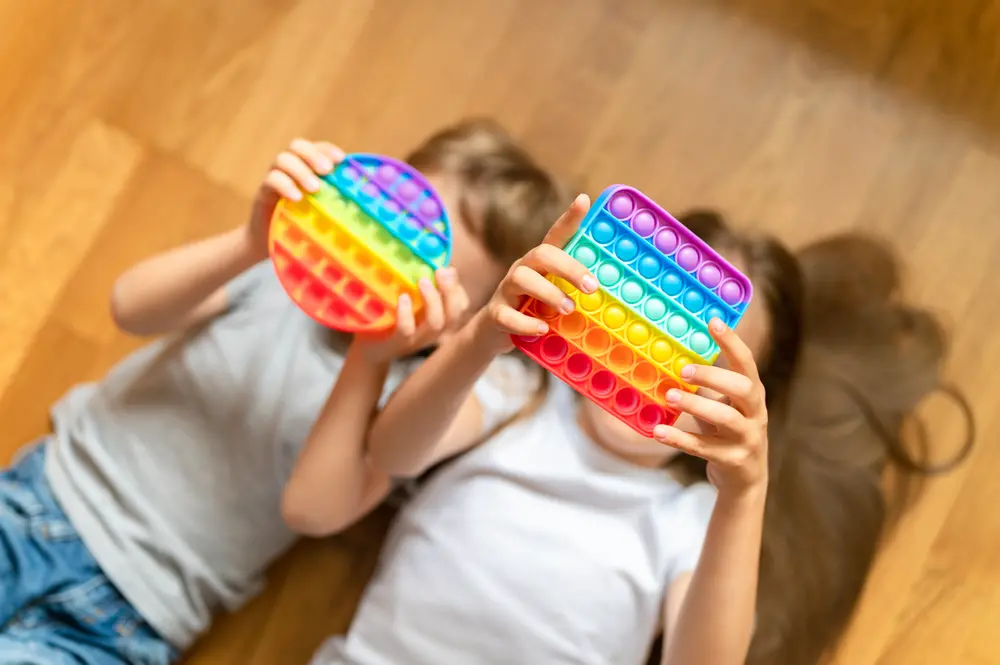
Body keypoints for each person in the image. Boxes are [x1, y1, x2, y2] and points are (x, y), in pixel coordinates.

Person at [0, 118, 569, 664]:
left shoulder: (412, 398)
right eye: (390, 233)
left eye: (426, 275)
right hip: (41, 499)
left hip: (133, 610)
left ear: (459, 317)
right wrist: (253, 241)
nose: (384, 268)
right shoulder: (281, 277)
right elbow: (131, 307)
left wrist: (371, 356)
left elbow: (312, 510)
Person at [305, 200, 970, 665]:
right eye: (644, 328)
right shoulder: (521, 398)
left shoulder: (693, 517)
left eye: (697, 367)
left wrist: (745, 492)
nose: (653, 372)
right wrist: (482, 338)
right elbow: (388, 450)